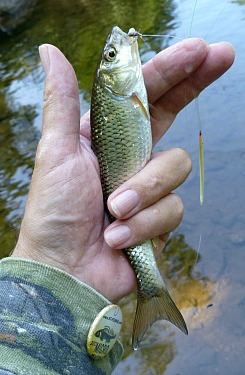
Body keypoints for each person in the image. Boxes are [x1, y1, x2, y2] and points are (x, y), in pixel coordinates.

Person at [0, 39, 234, 374]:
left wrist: (55, 276)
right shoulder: (124, 93)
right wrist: (56, 264)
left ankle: (149, 290)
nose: (119, 46)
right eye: (112, 55)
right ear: (111, 78)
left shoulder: (128, 90)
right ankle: (152, 292)